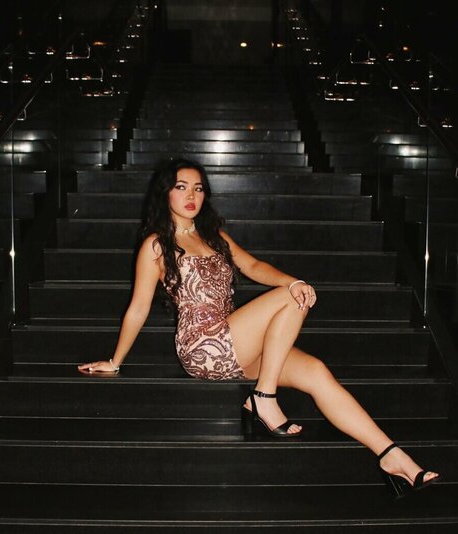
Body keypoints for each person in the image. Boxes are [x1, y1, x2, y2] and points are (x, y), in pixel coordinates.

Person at [78, 157, 440, 498]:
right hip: (202, 345)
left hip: (236, 341)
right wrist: (115, 361)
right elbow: (138, 307)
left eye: (199, 188)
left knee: (316, 370)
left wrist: (293, 280)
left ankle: (392, 456)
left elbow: (252, 266)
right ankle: (264, 398)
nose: (192, 195)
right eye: (181, 187)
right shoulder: (156, 245)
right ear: (165, 193)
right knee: (290, 297)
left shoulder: (214, 235)